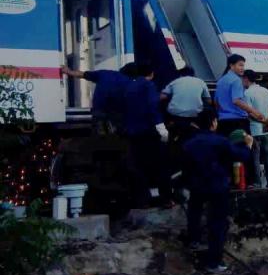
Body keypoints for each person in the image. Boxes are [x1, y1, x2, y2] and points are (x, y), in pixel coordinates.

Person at [182, 110, 252, 275]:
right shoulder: (220, 142)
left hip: (197, 185)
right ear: (213, 123)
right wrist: (247, 145)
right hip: (217, 186)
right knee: (218, 224)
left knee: (194, 211)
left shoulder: (188, 144)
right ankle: (214, 263)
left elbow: (185, 168)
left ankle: (194, 240)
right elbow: (241, 156)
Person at [123, 62, 172, 208]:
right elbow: (153, 106)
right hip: (149, 132)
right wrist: (162, 129)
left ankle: (142, 201)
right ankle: (166, 199)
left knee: (139, 168)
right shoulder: (148, 85)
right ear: (151, 74)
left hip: (133, 133)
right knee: (161, 165)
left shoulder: (129, 87)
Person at [61, 62, 138, 134]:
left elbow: (82, 74)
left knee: (99, 137)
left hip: (98, 112)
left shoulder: (104, 73)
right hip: (115, 115)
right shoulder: (129, 82)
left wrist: (68, 71)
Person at [214, 54, 264, 137]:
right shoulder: (236, 80)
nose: (242, 68)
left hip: (223, 121)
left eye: (243, 66)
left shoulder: (221, 80)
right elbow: (236, 100)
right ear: (231, 65)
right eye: (240, 65)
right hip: (238, 122)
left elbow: (216, 102)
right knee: (243, 148)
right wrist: (255, 112)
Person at [243, 70, 268, 189]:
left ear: (246, 79)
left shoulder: (247, 93)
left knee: (255, 158)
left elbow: (250, 113)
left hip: (254, 129)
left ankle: (257, 183)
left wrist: (263, 121)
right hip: (267, 130)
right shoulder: (266, 91)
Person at [161, 66, 212, 140]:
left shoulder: (175, 82)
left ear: (181, 75)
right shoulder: (201, 82)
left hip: (175, 115)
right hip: (194, 115)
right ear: (193, 75)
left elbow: (162, 97)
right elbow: (209, 101)